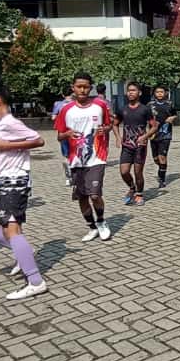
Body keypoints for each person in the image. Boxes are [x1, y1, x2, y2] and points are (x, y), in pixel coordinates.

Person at [0, 83, 47, 299]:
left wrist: (6, 146)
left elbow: (39, 140)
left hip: (13, 183)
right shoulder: (0, 124)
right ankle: (23, 252)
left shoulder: (11, 122)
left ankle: (35, 281)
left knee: (12, 230)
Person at [54, 72, 113, 242]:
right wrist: (67, 134)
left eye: (86, 87)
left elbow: (109, 124)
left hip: (97, 157)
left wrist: (105, 129)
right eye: (79, 86)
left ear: (90, 88)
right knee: (82, 196)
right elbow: (59, 135)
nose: (82, 90)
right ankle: (92, 227)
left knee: (94, 194)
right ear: (73, 88)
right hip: (76, 160)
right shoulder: (66, 110)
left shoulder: (100, 105)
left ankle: (101, 222)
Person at [113, 82, 157, 206]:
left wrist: (145, 136)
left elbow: (154, 126)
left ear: (139, 93)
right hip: (127, 146)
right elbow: (115, 124)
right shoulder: (122, 109)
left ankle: (139, 194)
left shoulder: (145, 109)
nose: (130, 93)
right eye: (129, 90)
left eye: (133, 90)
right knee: (124, 171)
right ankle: (132, 187)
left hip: (140, 146)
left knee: (138, 172)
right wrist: (118, 138)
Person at [148, 84, 178, 189]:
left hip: (166, 134)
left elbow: (175, 114)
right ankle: (162, 167)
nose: (159, 94)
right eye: (157, 92)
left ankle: (162, 179)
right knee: (156, 158)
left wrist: (172, 118)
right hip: (153, 135)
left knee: (162, 157)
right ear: (154, 93)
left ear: (165, 93)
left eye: (161, 92)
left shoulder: (169, 104)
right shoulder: (150, 105)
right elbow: (145, 117)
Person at [51, 87, 73, 185]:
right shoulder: (76, 103)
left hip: (63, 131)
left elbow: (53, 117)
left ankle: (68, 177)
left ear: (63, 95)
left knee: (66, 155)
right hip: (75, 131)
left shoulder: (58, 104)